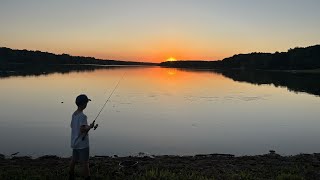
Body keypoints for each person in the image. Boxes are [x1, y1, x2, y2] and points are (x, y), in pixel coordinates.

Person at [69, 94, 94, 180]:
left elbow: (72, 126)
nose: (87, 104)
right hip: (83, 144)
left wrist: (87, 127)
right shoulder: (83, 116)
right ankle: (87, 177)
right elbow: (82, 129)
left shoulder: (74, 114)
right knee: (85, 162)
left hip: (75, 143)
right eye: (86, 102)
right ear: (84, 104)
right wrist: (90, 127)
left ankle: (71, 175)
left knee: (74, 160)